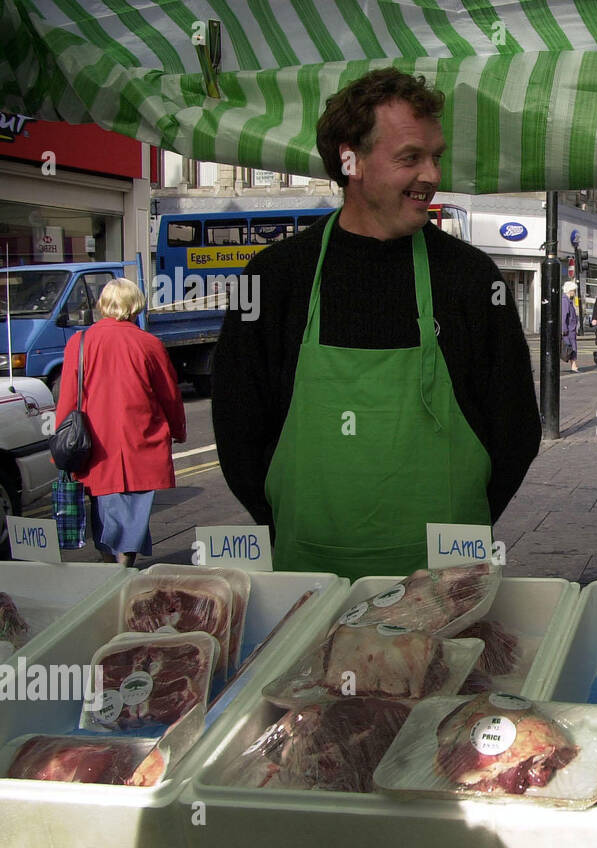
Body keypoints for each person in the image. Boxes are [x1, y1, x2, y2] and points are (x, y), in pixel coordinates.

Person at [212, 68, 539, 581]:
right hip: (309, 574)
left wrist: (461, 532)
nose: (431, 174)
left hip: (444, 580)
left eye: (436, 156)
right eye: (410, 158)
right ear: (351, 160)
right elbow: (238, 430)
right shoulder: (276, 278)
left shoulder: (471, 277)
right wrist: (289, 524)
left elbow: (516, 429)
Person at [54, 278, 186, 567]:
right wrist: (177, 429)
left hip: (95, 444)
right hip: (140, 439)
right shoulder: (148, 343)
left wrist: (61, 445)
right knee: (133, 509)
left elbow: (68, 398)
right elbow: (169, 395)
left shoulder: (80, 342)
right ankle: (122, 565)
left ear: (103, 305)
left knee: (104, 507)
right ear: (134, 306)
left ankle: (110, 565)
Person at [561, 281, 580, 373]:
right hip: (568, 330)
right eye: (574, 291)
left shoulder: (569, 301)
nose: (575, 293)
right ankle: (573, 365)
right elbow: (564, 316)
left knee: (571, 348)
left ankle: (574, 365)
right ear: (570, 291)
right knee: (571, 348)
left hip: (571, 329)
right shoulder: (565, 301)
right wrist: (564, 329)